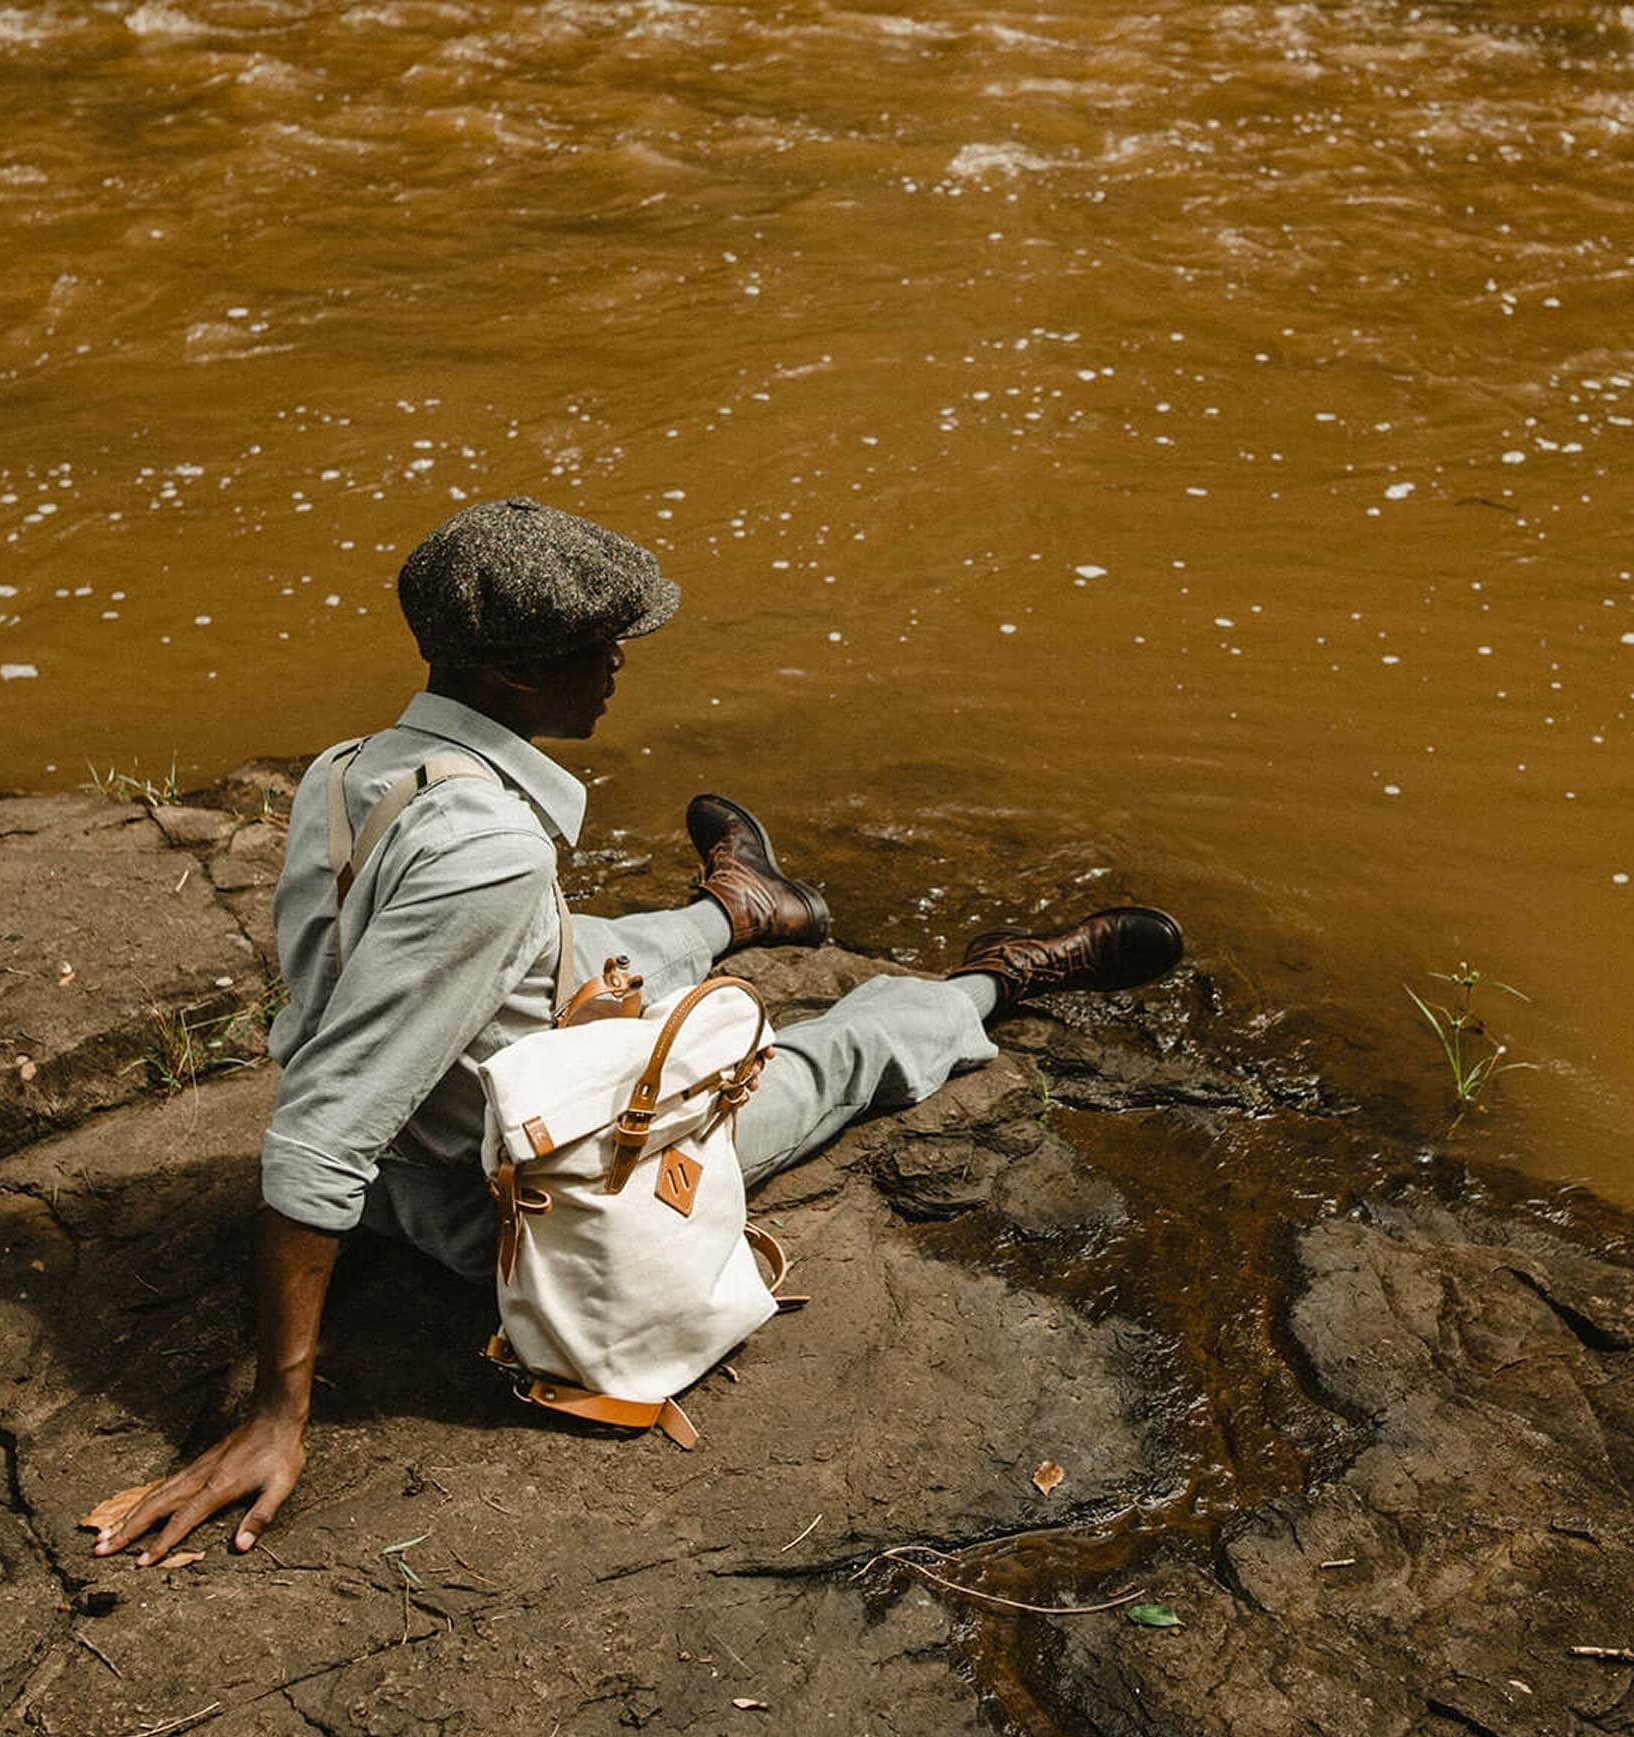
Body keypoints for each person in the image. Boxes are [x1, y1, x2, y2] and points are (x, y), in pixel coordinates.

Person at [93, 497, 1184, 1565]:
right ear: (516, 672)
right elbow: (323, 1136)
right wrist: (277, 1414)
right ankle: (995, 982)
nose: (620, 664)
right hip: (523, 1197)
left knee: (574, 944)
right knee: (815, 1064)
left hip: (434, 1123)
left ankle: (740, 908)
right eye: (602, 645)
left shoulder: (354, 769)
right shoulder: (492, 856)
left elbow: (392, 966)